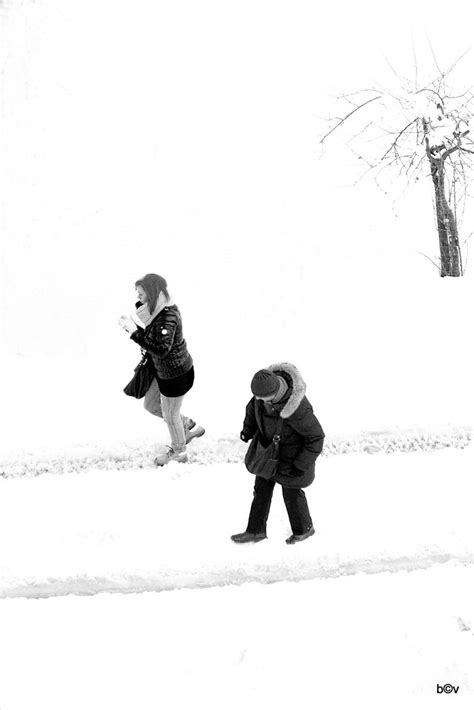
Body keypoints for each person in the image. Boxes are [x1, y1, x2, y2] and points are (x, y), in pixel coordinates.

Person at [232, 362, 324, 544]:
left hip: (292, 457)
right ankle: (255, 530)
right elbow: (252, 411)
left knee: (291, 493)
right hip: (268, 451)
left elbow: (316, 438)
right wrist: (247, 430)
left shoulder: (299, 409)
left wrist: (300, 464)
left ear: (277, 391)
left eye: (267, 398)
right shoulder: (260, 397)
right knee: (261, 490)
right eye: (259, 398)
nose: (262, 401)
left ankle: (304, 530)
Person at [119, 273, 204, 465]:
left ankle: (179, 452)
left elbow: (161, 349)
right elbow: (154, 340)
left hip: (175, 375)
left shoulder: (167, 316)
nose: (138, 298)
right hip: (162, 371)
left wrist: (134, 333)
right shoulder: (156, 312)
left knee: (170, 414)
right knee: (151, 405)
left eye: (141, 294)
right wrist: (133, 329)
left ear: (151, 292)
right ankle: (188, 426)